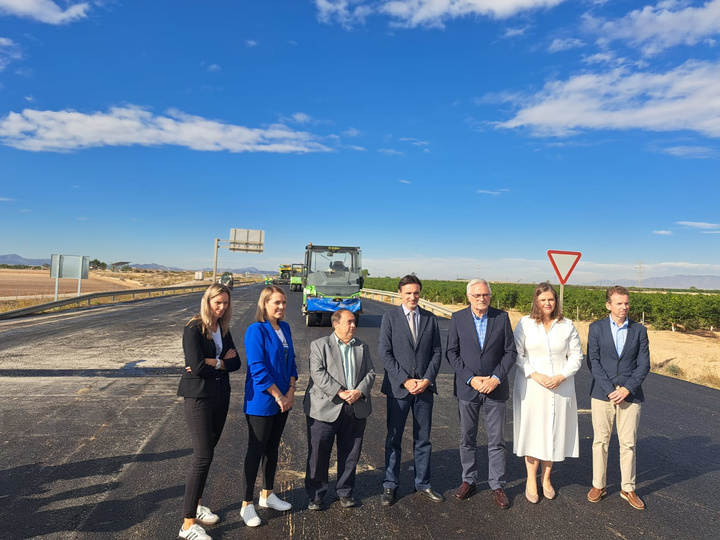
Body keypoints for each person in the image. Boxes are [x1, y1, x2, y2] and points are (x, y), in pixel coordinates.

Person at [177, 284, 241, 540]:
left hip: (220, 396)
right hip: (199, 399)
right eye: (217, 303)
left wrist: (214, 362)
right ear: (207, 302)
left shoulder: (223, 328)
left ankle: (198, 505)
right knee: (202, 457)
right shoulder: (193, 328)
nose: (222, 307)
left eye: (225, 303)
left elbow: (236, 363)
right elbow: (195, 366)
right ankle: (187, 524)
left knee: (209, 453)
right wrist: (218, 362)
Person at [446, 278, 517, 508]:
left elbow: (510, 352)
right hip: (468, 388)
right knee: (467, 438)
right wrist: (471, 378)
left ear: (490, 296)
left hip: (495, 388)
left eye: (485, 295)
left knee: (497, 440)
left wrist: (495, 378)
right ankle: (469, 479)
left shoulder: (501, 317)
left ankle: (497, 485)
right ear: (469, 297)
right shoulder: (458, 318)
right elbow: (452, 353)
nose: (481, 299)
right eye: (477, 295)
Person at [512, 282, 583, 503]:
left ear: (556, 300)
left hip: (560, 386)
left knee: (554, 430)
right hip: (531, 385)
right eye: (543, 300)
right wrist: (535, 374)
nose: (547, 303)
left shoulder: (567, 325)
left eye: (551, 299)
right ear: (536, 301)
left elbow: (577, 357)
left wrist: (561, 376)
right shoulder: (525, 323)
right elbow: (517, 354)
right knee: (533, 431)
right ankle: (531, 479)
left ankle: (547, 479)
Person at [378, 275, 443, 506]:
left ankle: (423, 484)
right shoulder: (390, 318)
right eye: (408, 293)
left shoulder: (430, 319)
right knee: (394, 438)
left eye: (416, 293)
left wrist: (426, 379)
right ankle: (390, 485)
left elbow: (437, 352)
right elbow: (385, 353)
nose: (413, 297)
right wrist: (405, 380)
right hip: (399, 389)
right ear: (400, 293)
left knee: (423, 439)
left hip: (424, 389)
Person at [304, 309, 376, 510]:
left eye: (354, 322)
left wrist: (360, 392)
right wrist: (341, 392)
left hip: (355, 407)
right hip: (325, 408)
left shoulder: (362, 346)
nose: (353, 326)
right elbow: (317, 373)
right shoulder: (319, 345)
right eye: (349, 322)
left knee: (351, 452)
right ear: (336, 324)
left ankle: (345, 491)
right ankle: (316, 495)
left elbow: (370, 372)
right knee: (318, 454)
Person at [587, 286, 650, 510]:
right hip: (602, 394)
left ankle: (628, 488)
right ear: (608, 305)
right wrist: (609, 389)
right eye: (619, 303)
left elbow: (644, 364)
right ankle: (598, 485)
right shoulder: (596, 329)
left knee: (628, 444)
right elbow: (593, 361)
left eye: (626, 303)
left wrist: (626, 389)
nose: (624, 307)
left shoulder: (639, 330)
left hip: (630, 396)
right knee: (600, 442)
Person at [240, 286, 298, 527]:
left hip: (284, 398)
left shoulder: (284, 328)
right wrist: (278, 395)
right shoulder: (256, 330)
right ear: (264, 304)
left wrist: (291, 391)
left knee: (273, 448)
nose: (281, 307)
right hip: (262, 401)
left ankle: (267, 495)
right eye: (276, 302)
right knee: (256, 450)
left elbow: (292, 361)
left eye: (283, 302)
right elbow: (257, 368)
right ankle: (246, 505)